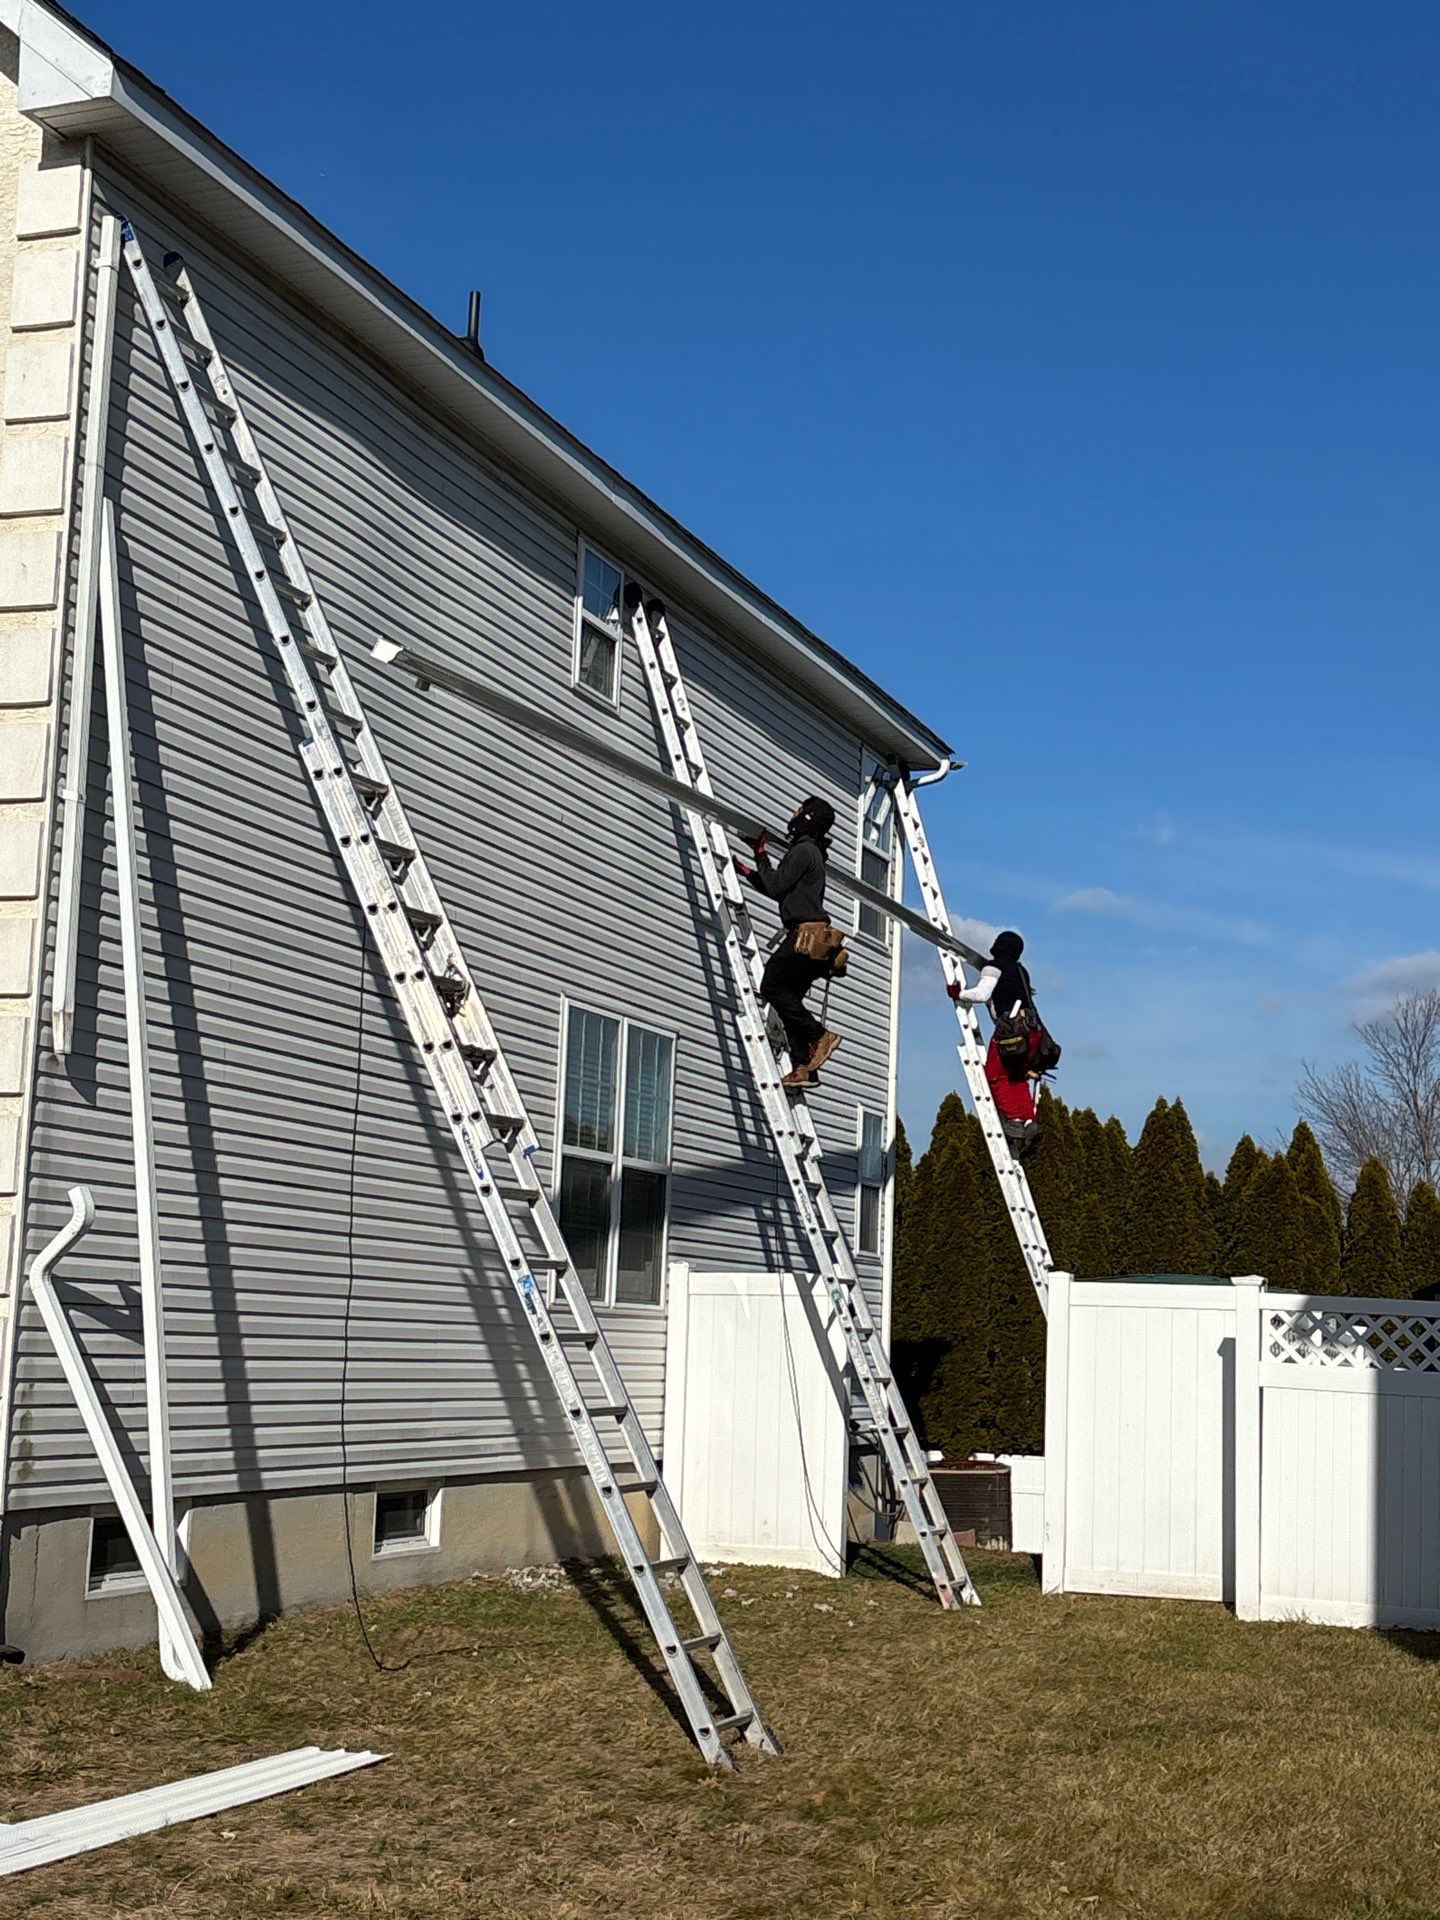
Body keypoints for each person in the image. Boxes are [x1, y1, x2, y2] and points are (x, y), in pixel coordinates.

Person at [736, 795, 844, 1088]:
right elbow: (780, 886)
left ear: (806, 818)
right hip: (816, 942)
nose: (793, 814)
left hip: (803, 937)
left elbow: (774, 887)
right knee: (790, 1002)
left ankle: (819, 1036)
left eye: (799, 810)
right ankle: (804, 1068)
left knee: (770, 986)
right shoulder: (813, 853)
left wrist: (761, 853)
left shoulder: (802, 851)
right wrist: (747, 871)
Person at [949, 930, 1044, 1156]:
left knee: (994, 1074)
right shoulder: (1022, 971)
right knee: (1017, 1077)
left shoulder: (994, 966)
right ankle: (1029, 1120)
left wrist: (958, 993)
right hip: (1031, 1031)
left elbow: (982, 994)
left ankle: (1014, 1120)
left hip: (1010, 1031)